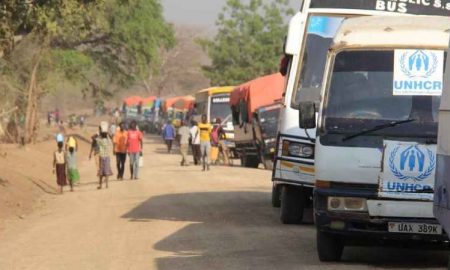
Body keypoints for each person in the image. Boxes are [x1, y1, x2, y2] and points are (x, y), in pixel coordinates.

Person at [96, 122, 113, 189]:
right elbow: (111, 138)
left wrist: (99, 132)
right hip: (107, 157)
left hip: (101, 157)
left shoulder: (100, 140)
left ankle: (100, 185)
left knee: (101, 172)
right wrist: (107, 132)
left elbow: (94, 138)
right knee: (107, 171)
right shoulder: (108, 141)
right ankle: (107, 184)